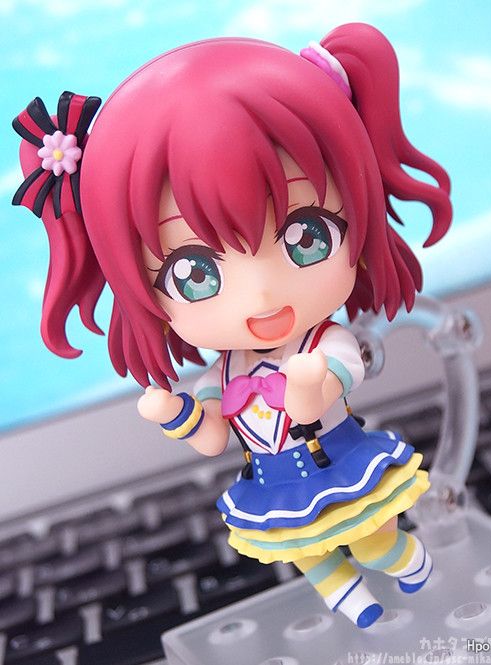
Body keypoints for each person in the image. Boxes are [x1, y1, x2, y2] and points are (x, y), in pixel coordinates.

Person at [12, 23, 452, 628]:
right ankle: (362, 610)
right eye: (195, 274)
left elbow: (323, 393)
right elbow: (214, 437)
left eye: (306, 237)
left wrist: (308, 385)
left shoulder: (327, 342)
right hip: (274, 485)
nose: (261, 293)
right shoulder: (224, 373)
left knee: (376, 542)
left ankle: (410, 565)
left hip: (341, 465)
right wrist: (175, 415)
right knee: (311, 557)